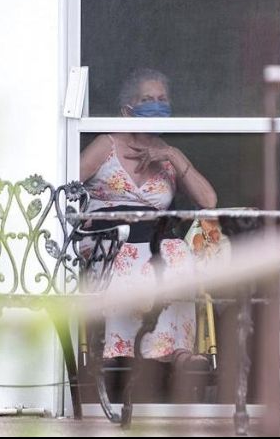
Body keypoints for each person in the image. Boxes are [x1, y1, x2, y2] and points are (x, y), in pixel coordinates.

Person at [79, 68, 216, 371]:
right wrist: (79, 216)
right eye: (147, 99)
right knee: (134, 258)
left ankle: (177, 352)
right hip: (108, 239)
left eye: (161, 99)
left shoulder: (167, 156)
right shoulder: (107, 144)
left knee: (178, 256)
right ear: (128, 110)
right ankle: (120, 351)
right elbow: (63, 184)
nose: (156, 104)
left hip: (157, 239)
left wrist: (172, 155)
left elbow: (209, 201)